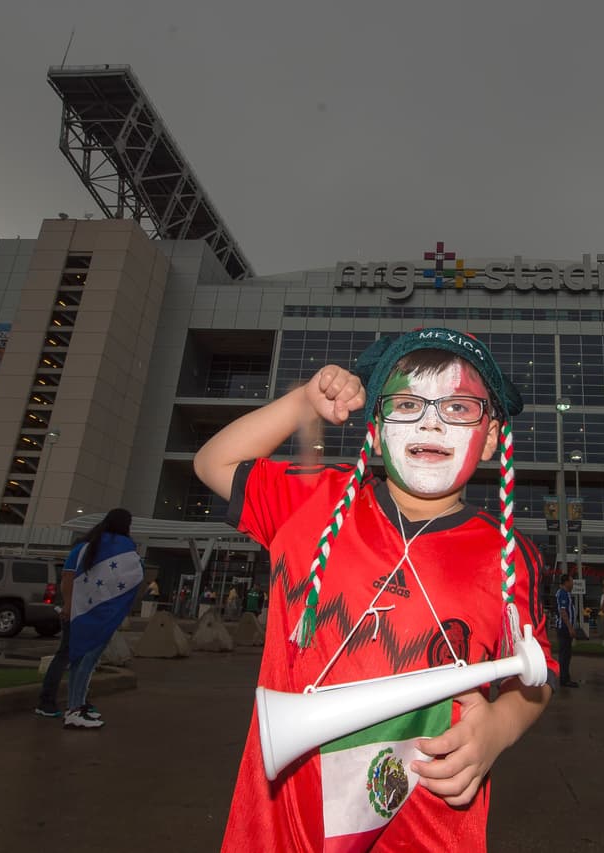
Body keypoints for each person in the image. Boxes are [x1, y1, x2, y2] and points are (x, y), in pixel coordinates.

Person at [194, 327, 555, 850]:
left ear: (493, 434)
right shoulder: (313, 502)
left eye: (458, 408)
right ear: (377, 425)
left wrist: (497, 730)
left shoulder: (509, 556)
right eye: (408, 403)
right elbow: (212, 463)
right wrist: (303, 401)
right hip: (283, 821)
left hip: (428, 820)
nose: (431, 420)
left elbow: (536, 676)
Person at [60, 508, 143, 729]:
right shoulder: (123, 550)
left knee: (80, 661)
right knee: (86, 662)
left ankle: (76, 705)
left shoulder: (84, 548)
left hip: (80, 613)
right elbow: (134, 576)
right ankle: (74, 709)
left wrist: (68, 606)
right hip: (101, 615)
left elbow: (68, 579)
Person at [555, 574, 579, 688]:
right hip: (564, 628)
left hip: (565, 628)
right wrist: (570, 627)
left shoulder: (566, 594)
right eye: (571, 581)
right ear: (566, 582)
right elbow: (563, 612)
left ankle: (565, 677)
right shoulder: (563, 594)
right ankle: (564, 679)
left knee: (567, 654)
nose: (573, 584)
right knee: (565, 654)